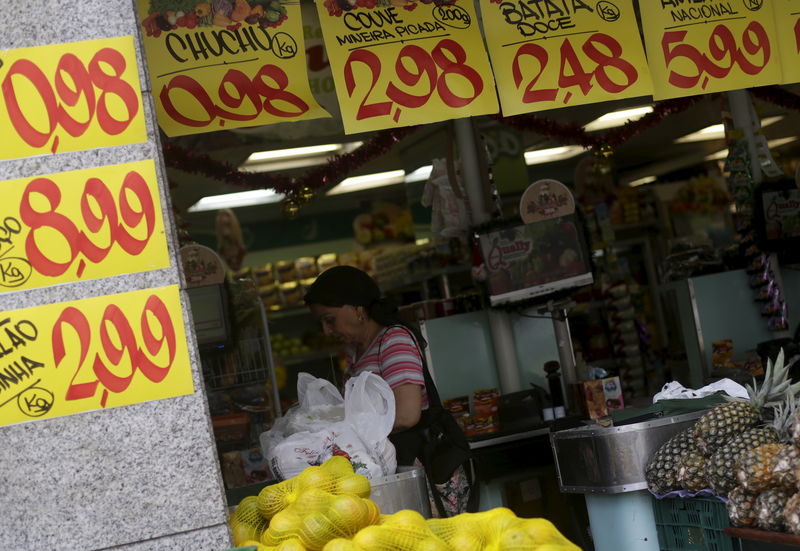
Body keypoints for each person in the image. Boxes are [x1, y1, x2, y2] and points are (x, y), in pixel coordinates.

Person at [303, 265, 473, 517]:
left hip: (418, 467)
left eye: (330, 320)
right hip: (392, 469)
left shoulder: (394, 341)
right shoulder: (355, 352)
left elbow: (407, 415)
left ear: (358, 309)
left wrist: (346, 435)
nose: (327, 331)